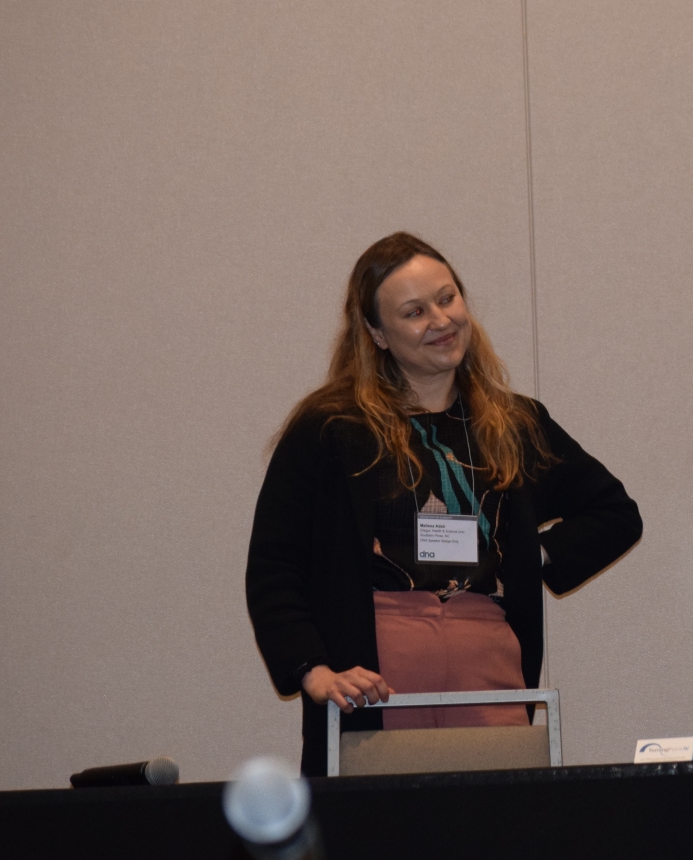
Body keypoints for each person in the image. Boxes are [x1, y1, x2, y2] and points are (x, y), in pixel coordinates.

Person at [246, 232, 642, 776]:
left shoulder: (516, 423)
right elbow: (274, 566)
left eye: (447, 298)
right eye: (414, 312)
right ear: (376, 334)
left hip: (490, 675)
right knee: (381, 829)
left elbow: (615, 514)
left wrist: (529, 558)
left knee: (494, 824)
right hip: (373, 686)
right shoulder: (332, 429)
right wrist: (312, 670)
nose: (440, 320)